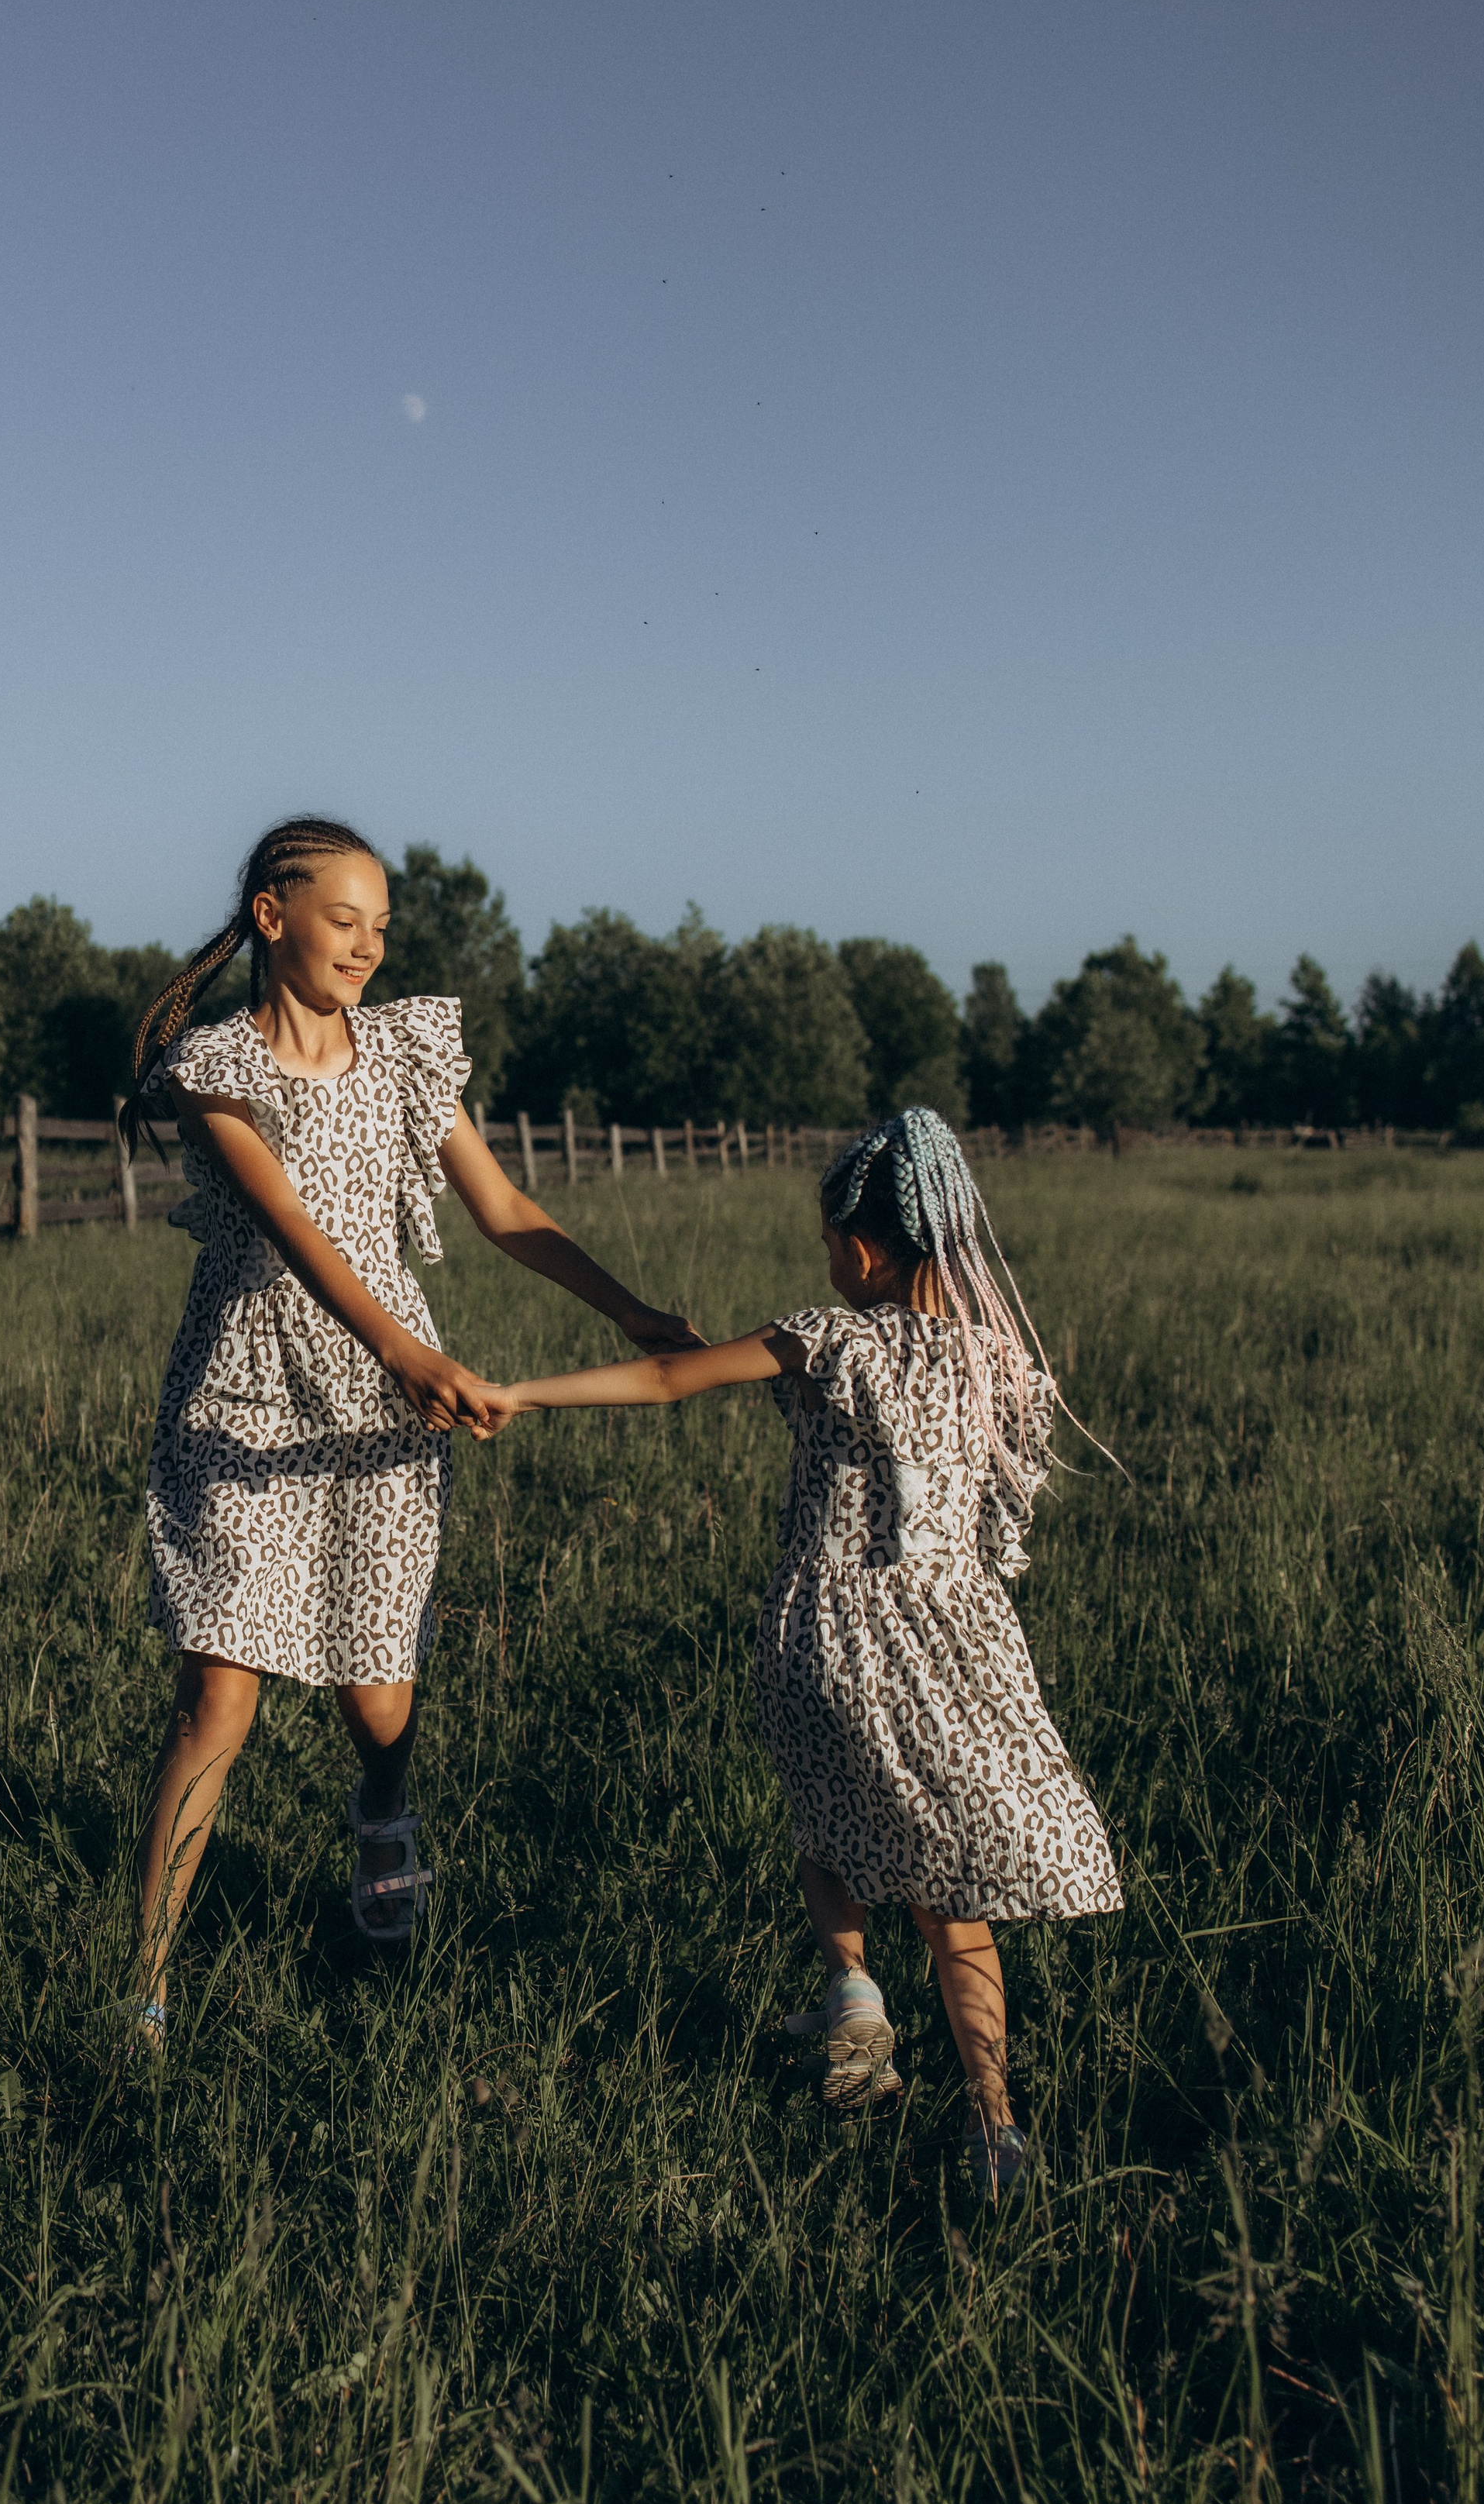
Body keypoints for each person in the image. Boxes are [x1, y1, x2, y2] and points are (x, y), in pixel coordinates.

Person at [119, 814, 700, 2041]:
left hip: (388, 1411)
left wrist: (637, 1310)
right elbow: (289, 1227)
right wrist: (404, 1346)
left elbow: (502, 1209)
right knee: (220, 1691)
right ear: (274, 918)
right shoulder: (218, 1069)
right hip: (251, 1396)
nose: (369, 946)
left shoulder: (404, 1055)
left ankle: (383, 1809)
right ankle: (146, 1986)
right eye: (346, 920)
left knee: (377, 1700)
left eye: (383, 927)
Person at [473, 1107, 1122, 2194]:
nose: (828, 1261)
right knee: (951, 1899)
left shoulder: (830, 1339)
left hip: (823, 1635)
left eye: (830, 1244)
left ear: (863, 1248)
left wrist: (520, 1392)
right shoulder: (995, 1359)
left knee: (828, 1818)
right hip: (955, 1649)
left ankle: (853, 1994)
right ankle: (993, 2122)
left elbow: (673, 1381)